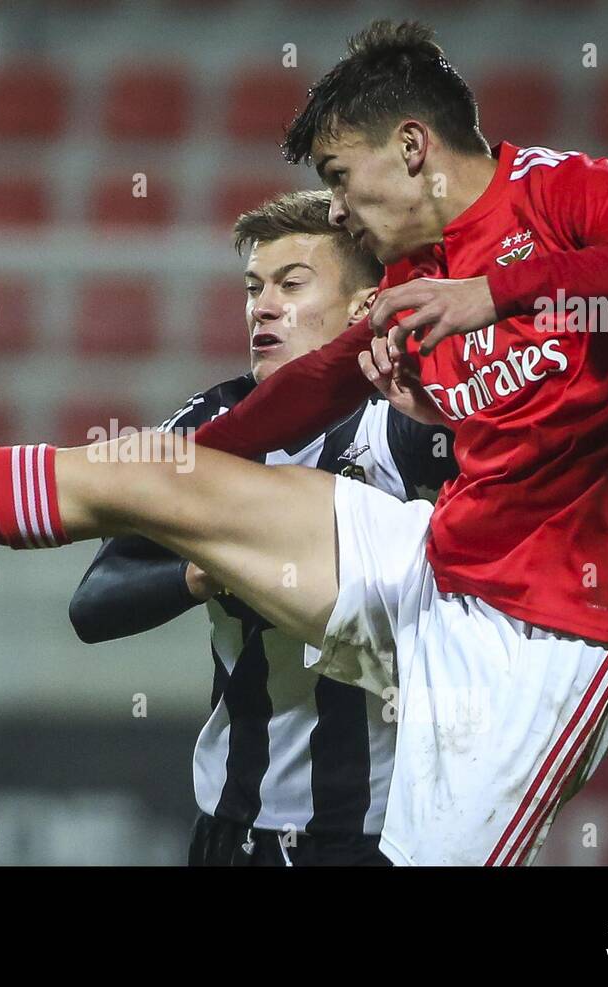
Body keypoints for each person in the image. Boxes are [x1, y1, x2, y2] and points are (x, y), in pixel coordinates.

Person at [0, 19, 608, 865]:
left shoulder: (554, 197)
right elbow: (268, 421)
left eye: (340, 174)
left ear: (412, 147)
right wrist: (180, 475)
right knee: (136, 475)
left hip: (551, 639)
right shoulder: (410, 282)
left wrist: (491, 296)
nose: (334, 206)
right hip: (435, 570)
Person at [69, 190, 455, 866]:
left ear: (365, 306)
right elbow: (94, 602)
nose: (263, 306)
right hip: (236, 833)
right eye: (254, 287)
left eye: (291, 283)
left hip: (387, 838)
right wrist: (202, 572)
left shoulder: (401, 418)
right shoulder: (212, 427)